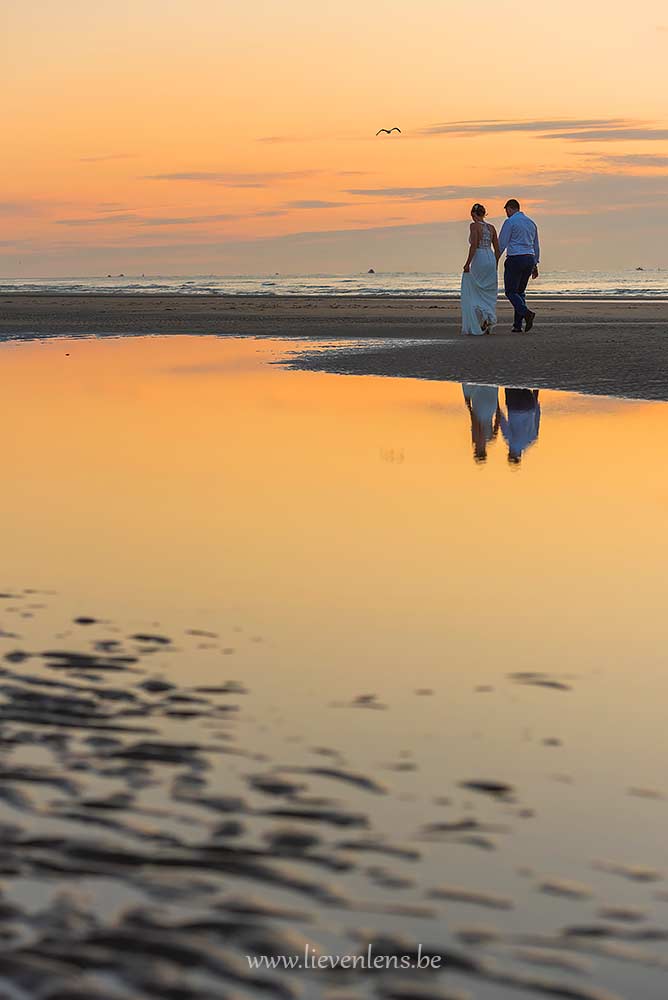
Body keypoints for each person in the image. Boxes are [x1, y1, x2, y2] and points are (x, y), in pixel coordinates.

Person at [498, 199, 540, 333]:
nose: (506, 213)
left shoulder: (510, 222)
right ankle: (517, 325)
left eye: (506, 211)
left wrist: (494, 260)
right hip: (529, 258)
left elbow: (502, 243)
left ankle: (526, 313)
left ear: (510, 209)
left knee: (510, 292)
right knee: (520, 292)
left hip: (515, 258)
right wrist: (535, 263)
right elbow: (536, 245)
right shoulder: (531, 223)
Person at [461, 203, 500, 335]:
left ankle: (483, 318)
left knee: (477, 290)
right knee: (488, 290)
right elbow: (498, 249)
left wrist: (467, 264)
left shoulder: (474, 226)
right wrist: (495, 263)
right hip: (490, 257)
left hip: (480, 258)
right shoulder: (492, 228)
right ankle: (487, 318)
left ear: (473, 214)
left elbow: (474, 246)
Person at [499, 388, 541, 463]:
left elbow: (537, 416)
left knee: (524, 383)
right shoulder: (512, 443)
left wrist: (536, 395)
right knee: (510, 384)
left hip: (529, 405)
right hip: (514, 406)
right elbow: (503, 425)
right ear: (511, 454)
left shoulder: (532, 440)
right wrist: (498, 409)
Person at [462, 383, 501, 462]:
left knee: (487, 388)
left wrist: (497, 406)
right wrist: (469, 407)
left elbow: (498, 419)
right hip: (482, 409)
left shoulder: (491, 438)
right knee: (470, 389)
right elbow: (476, 422)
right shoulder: (477, 439)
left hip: (491, 407)